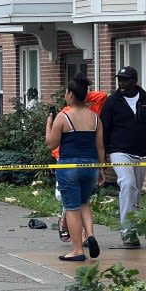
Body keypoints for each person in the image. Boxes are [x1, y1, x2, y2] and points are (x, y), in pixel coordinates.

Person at [100, 66, 146, 248]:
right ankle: (127, 232)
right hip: (118, 151)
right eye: (119, 80)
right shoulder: (112, 102)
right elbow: (104, 130)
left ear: (134, 81)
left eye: (125, 80)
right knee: (128, 184)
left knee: (136, 191)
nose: (121, 83)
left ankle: (133, 229)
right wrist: (102, 157)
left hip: (141, 153)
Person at [45, 73, 104, 262]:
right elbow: (100, 146)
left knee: (71, 207)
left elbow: (51, 144)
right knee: (84, 202)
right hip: (91, 165)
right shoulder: (95, 118)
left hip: (69, 166)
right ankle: (91, 235)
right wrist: (101, 169)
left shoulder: (63, 117)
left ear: (70, 94)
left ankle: (77, 250)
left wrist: (49, 124)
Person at [53, 88, 108, 244]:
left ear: (71, 94)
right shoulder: (66, 113)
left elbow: (102, 96)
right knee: (80, 202)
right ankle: (87, 234)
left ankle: (79, 244)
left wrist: (82, 94)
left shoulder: (93, 114)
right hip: (71, 159)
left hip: (78, 163)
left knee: (74, 204)